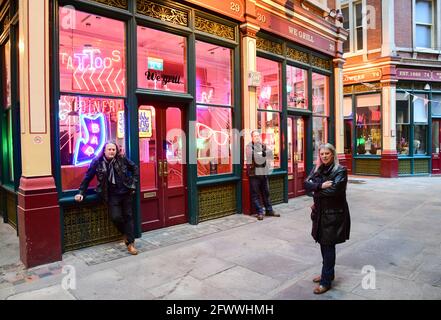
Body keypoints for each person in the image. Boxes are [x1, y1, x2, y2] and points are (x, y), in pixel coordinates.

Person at [74, 141, 140, 255]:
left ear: (116, 151)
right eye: (109, 149)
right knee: (116, 217)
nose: (111, 151)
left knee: (129, 216)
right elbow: (87, 177)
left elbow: (135, 168)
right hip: (112, 195)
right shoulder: (97, 162)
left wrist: (133, 184)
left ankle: (130, 243)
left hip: (125, 192)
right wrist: (81, 192)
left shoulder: (122, 159)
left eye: (113, 149)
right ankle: (126, 234)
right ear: (104, 151)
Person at [304, 143, 351, 294]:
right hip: (320, 213)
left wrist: (315, 189)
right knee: (323, 245)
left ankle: (326, 282)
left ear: (333, 154)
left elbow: (334, 191)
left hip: (333, 215)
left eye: (327, 154)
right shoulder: (318, 168)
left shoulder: (340, 171)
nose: (324, 156)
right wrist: (320, 186)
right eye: (322, 154)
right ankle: (328, 274)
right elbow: (306, 184)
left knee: (328, 246)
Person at [246, 130, 280, 221]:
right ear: (252, 138)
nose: (257, 137)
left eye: (258, 136)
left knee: (266, 193)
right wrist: (261, 154)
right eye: (255, 136)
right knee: (255, 194)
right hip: (254, 174)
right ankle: (260, 212)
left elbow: (269, 155)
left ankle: (269, 210)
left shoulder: (263, 145)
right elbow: (254, 157)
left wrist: (261, 154)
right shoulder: (249, 147)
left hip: (264, 173)